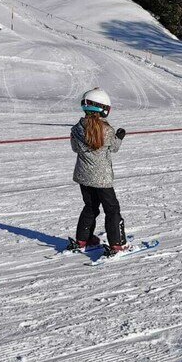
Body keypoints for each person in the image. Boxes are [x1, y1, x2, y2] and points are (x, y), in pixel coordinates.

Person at [70, 88, 128, 254]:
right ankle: (117, 244)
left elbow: (75, 148)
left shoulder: (76, 129)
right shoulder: (107, 130)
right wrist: (120, 137)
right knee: (112, 209)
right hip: (102, 179)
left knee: (91, 207)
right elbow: (114, 148)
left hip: (83, 176)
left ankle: (83, 239)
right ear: (103, 109)